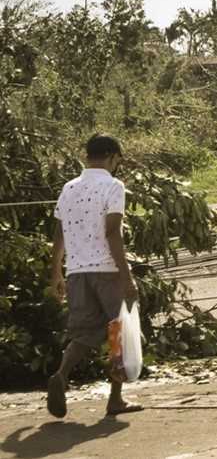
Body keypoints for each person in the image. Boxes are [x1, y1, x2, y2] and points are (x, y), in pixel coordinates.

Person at [47, 135, 142, 418]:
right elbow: (113, 233)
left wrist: (56, 273)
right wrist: (126, 277)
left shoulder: (69, 187)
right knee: (119, 333)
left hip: (77, 272)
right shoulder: (113, 186)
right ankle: (115, 399)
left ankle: (61, 375)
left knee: (84, 334)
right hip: (107, 271)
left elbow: (59, 233)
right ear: (112, 156)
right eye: (117, 160)